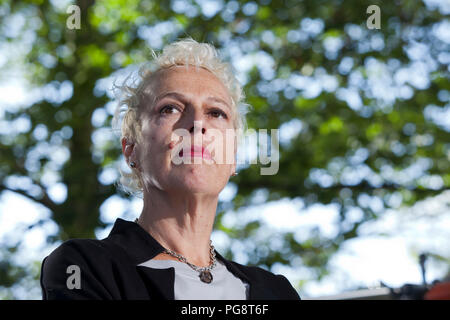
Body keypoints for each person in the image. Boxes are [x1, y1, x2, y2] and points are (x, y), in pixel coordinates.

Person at [39, 38, 300, 300]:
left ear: (232, 158)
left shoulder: (276, 291)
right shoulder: (85, 267)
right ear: (132, 149)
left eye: (216, 113)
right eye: (170, 108)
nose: (197, 124)